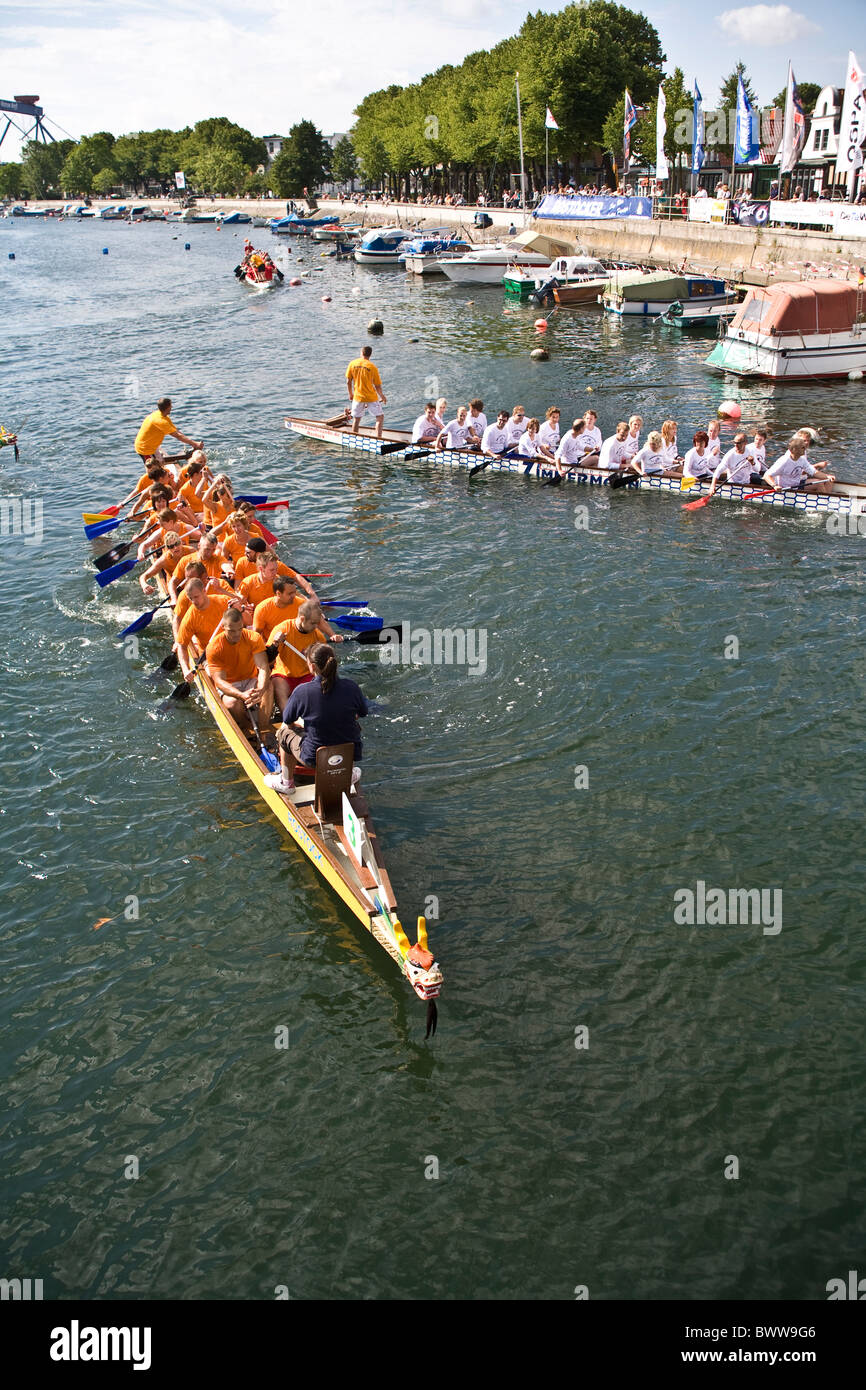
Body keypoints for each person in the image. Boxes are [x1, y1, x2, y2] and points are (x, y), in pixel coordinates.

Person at [265, 643, 368, 795]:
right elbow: (363, 712)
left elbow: (287, 718)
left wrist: (302, 723)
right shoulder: (352, 687)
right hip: (348, 754)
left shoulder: (303, 691)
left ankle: (286, 782)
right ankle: (348, 772)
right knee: (353, 725)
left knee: (284, 732)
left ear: (312, 666)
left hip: (314, 758)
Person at [205, 605, 273, 739]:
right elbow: (219, 681)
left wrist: (260, 689)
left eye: (239, 629)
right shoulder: (214, 647)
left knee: (268, 687)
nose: (236, 634)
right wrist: (241, 695)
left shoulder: (253, 637)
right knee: (233, 703)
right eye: (231, 631)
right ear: (223, 627)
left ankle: (263, 729)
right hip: (231, 683)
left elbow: (263, 667)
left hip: (250, 679)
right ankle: (245, 727)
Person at [266, 600, 344, 712]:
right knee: (279, 688)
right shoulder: (282, 629)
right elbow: (268, 659)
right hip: (284, 675)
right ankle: (290, 719)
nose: (316, 627)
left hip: (307, 675)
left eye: (317, 623)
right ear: (302, 619)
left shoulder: (317, 636)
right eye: (313, 623)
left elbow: (325, 665)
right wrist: (275, 644)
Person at [176, 580, 237, 680]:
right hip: (209, 656)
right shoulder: (189, 618)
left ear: (204, 591)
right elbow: (182, 646)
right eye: (191, 598)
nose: (194, 601)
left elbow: (249, 621)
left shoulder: (224, 601)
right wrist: (185, 670)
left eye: (196, 597)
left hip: (233, 647)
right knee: (219, 675)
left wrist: (240, 610)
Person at [134, 397, 202, 464]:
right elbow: (178, 436)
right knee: (154, 469)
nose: (172, 407)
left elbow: (176, 432)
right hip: (145, 448)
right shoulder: (161, 421)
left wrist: (193, 443)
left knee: (161, 462)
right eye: (171, 405)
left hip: (152, 445)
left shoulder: (163, 416)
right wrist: (195, 444)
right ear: (168, 407)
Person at [763, 436, 835, 494]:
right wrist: (775, 486)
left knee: (825, 481)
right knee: (819, 484)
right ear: (794, 449)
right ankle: (825, 501)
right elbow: (767, 475)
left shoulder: (802, 459)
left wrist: (827, 476)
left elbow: (813, 472)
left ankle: (827, 499)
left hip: (797, 485)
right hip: (785, 489)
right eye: (803, 447)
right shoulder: (784, 461)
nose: (805, 448)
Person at [345, 345, 386, 439]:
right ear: (370, 355)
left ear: (361, 353)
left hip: (358, 397)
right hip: (371, 397)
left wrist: (350, 394)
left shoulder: (352, 363)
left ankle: (354, 438)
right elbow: (377, 386)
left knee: (356, 419)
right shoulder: (372, 367)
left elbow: (348, 381)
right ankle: (378, 438)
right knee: (379, 417)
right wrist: (382, 396)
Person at [706, 432, 765, 496]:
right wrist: (712, 486)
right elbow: (718, 470)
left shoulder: (750, 452)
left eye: (738, 443)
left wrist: (752, 462)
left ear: (745, 443)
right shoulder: (730, 455)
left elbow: (757, 469)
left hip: (746, 483)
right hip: (732, 485)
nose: (736, 445)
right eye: (734, 443)